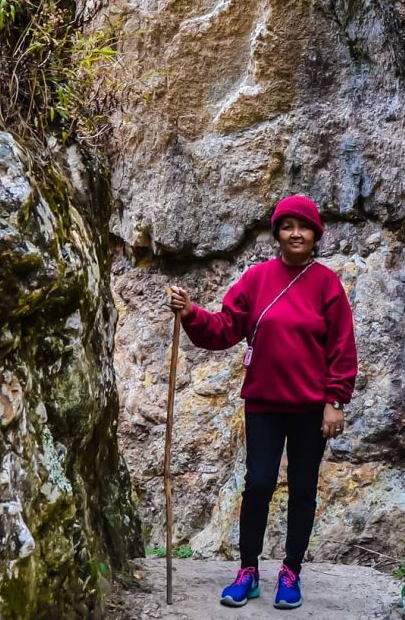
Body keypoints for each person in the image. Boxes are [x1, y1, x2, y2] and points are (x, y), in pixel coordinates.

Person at [168, 195, 357, 610]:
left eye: (303, 227)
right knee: (258, 484)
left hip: (310, 408)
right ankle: (248, 571)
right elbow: (223, 329)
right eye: (287, 226)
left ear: (315, 235)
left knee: (303, 489)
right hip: (264, 405)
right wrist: (191, 313)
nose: (295, 233)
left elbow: (342, 347)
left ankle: (290, 573)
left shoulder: (327, 285)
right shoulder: (256, 280)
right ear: (277, 234)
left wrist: (336, 400)